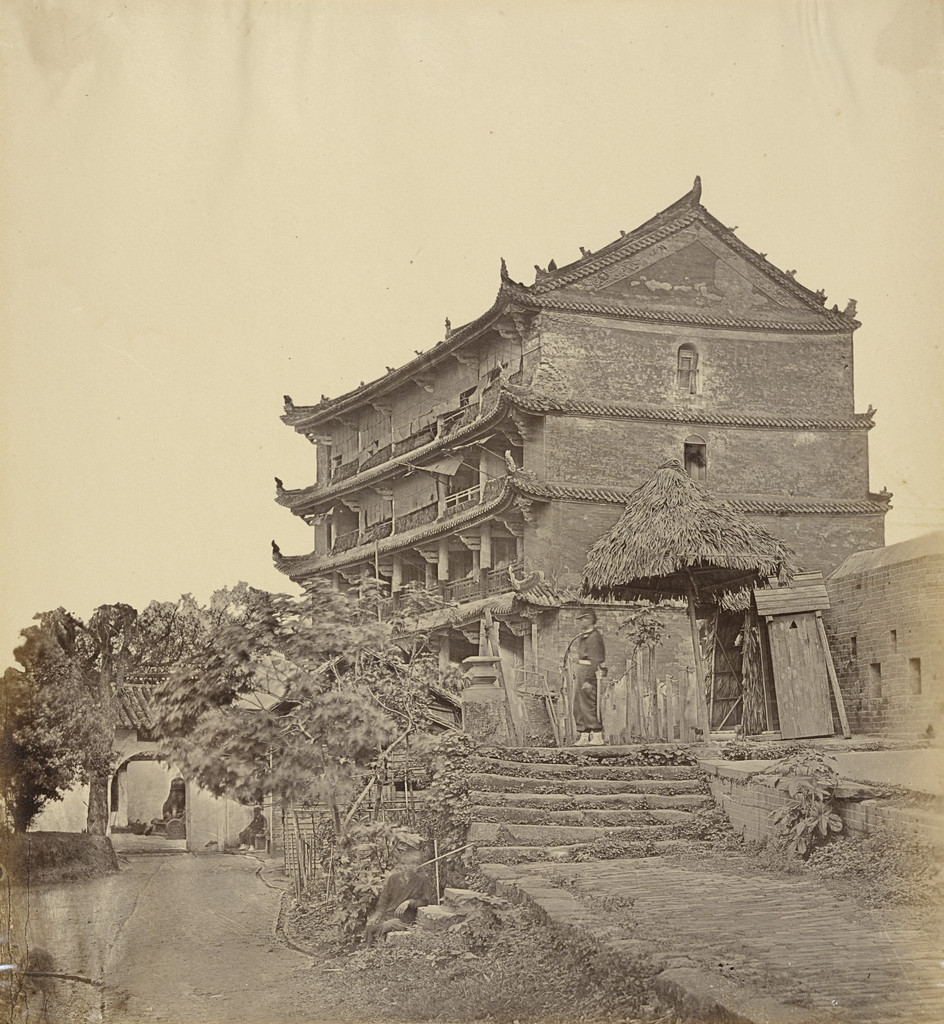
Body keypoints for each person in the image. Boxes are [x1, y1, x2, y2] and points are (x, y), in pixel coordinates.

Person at [572, 609, 607, 746]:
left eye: (583, 619)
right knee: (578, 705)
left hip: (589, 671)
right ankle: (584, 735)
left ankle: (597, 735)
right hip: (581, 670)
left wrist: (588, 680)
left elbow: (597, 659)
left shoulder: (594, 636)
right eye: (580, 619)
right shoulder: (584, 636)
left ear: (591, 619)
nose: (581, 622)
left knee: (589, 704)